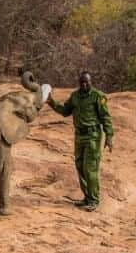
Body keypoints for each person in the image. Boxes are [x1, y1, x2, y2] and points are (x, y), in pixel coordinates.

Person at [47, 71, 114, 211]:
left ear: (91, 82)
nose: (84, 85)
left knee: (90, 168)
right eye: (82, 82)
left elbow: (105, 117)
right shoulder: (75, 96)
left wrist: (109, 136)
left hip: (93, 136)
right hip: (79, 136)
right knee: (80, 166)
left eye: (86, 82)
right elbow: (65, 111)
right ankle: (87, 197)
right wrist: (51, 102)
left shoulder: (98, 96)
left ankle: (94, 200)